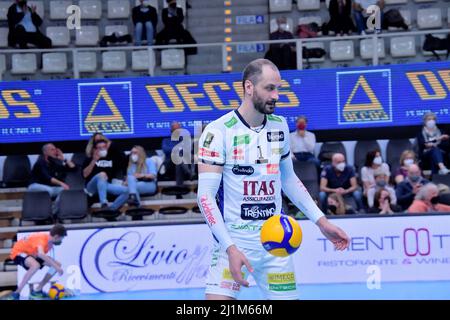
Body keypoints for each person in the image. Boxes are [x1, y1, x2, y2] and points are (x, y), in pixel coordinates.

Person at [197, 58, 349, 300]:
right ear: (249, 87)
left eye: (278, 88)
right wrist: (230, 247)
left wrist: (321, 222)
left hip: (276, 242)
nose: (277, 95)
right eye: (270, 88)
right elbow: (205, 198)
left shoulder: (279, 127)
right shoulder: (218, 132)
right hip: (233, 243)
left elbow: (289, 181)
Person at [5, 224, 67, 300]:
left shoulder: (49, 243)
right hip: (18, 252)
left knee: (57, 264)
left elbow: (40, 255)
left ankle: (38, 290)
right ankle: (16, 293)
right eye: (61, 238)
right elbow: (41, 254)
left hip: (32, 253)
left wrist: (56, 266)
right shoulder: (41, 239)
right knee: (35, 265)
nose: (61, 241)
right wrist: (56, 267)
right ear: (56, 236)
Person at [28, 143, 76, 214]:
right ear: (45, 152)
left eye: (55, 149)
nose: (55, 151)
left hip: (50, 188)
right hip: (34, 186)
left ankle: (53, 212)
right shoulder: (40, 162)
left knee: (65, 191)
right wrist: (62, 183)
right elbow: (48, 178)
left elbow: (73, 168)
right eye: (52, 150)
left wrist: (64, 159)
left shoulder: (53, 163)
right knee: (49, 191)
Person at [82, 139, 129, 210]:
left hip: (105, 186)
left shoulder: (112, 158)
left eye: (104, 147)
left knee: (127, 191)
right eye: (100, 148)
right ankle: (103, 203)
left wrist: (126, 179)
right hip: (91, 188)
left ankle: (111, 210)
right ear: (95, 149)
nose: (102, 149)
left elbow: (124, 161)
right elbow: (84, 175)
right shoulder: (90, 158)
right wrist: (94, 160)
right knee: (102, 174)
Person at [161, 121, 193, 185]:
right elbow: (166, 150)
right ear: (171, 130)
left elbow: (188, 150)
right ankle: (189, 173)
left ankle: (179, 186)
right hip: (170, 165)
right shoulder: (166, 140)